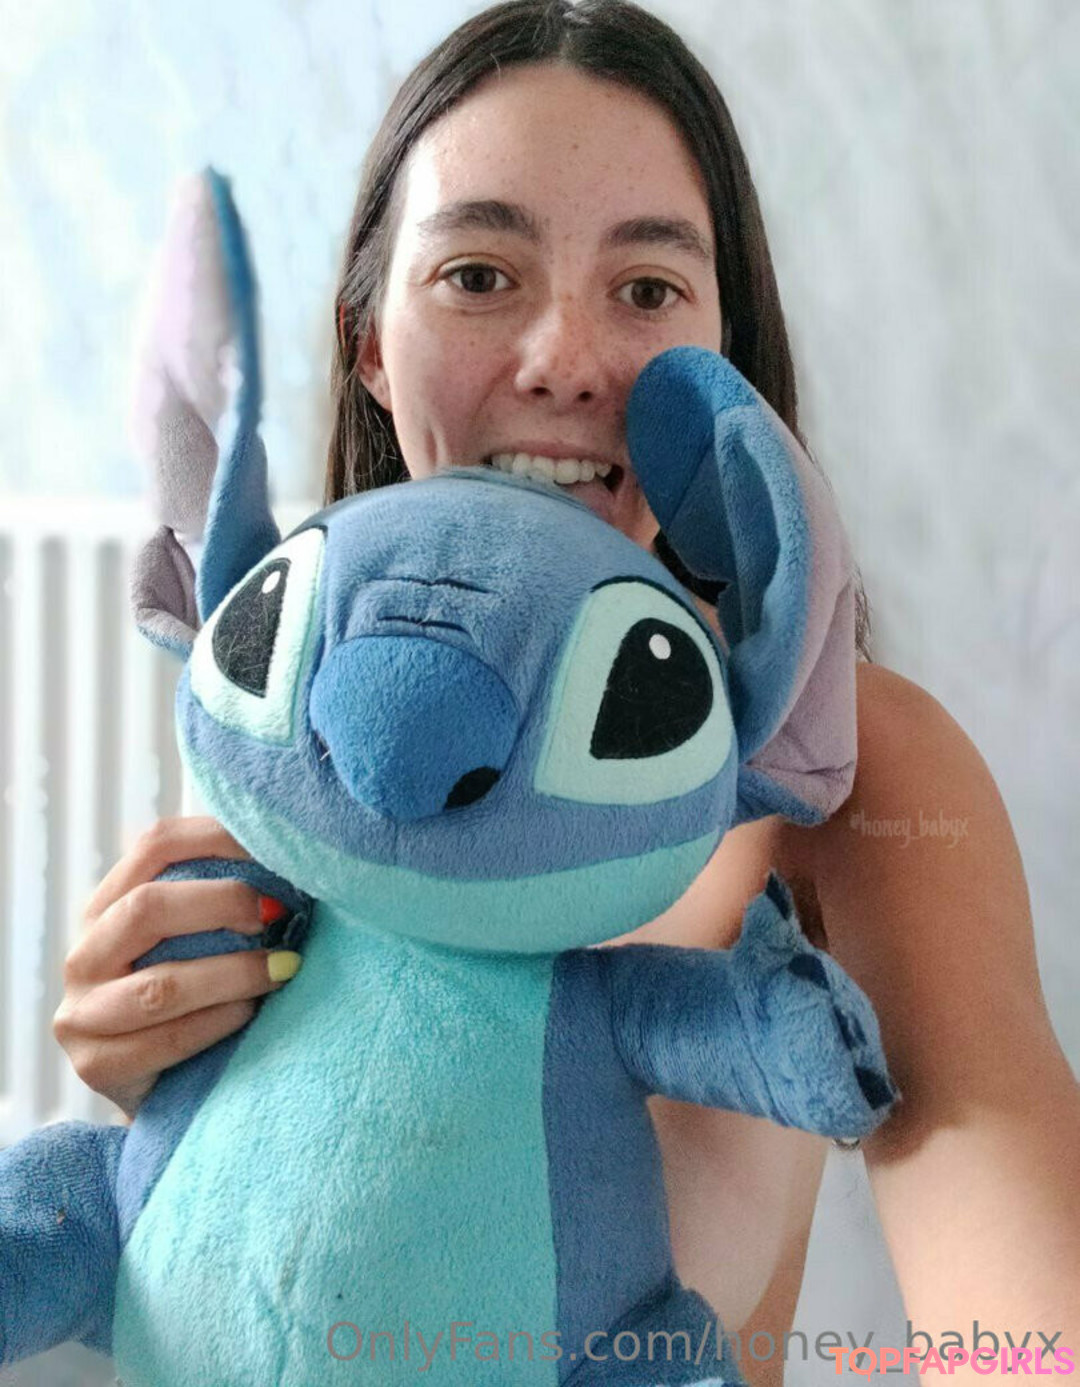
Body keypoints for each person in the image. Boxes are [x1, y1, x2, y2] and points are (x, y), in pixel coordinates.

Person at [54, 0, 1079, 1376]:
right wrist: (143, 1083)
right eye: (479, 274)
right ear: (369, 342)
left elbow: (1025, 1325)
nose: (567, 362)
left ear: (723, 362)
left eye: (647, 289)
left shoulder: (853, 773)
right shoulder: (282, 724)